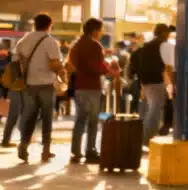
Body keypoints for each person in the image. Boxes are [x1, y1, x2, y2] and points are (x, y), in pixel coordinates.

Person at [14, 13, 65, 163]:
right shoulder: (50, 41)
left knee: (29, 116)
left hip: (29, 85)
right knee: (47, 118)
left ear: (35, 24)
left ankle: (23, 145)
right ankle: (45, 151)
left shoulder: (24, 40)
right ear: (49, 25)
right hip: (46, 85)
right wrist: (63, 76)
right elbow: (54, 64)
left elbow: (17, 60)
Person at [68, 19, 114, 164]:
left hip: (79, 86)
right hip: (92, 87)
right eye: (101, 30)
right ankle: (90, 150)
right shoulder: (94, 45)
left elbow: (71, 65)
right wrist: (108, 70)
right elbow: (96, 66)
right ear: (95, 30)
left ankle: (75, 152)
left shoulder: (76, 45)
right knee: (93, 121)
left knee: (80, 119)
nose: (102, 33)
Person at [137, 24, 174, 146]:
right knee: (155, 112)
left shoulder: (146, 46)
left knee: (150, 110)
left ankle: (144, 138)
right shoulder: (163, 45)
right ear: (165, 33)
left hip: (146, 82)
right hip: (156, 81)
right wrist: (172, 83)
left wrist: (142, 86)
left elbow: (139, 66)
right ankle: (147, 140)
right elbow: (168, 67)